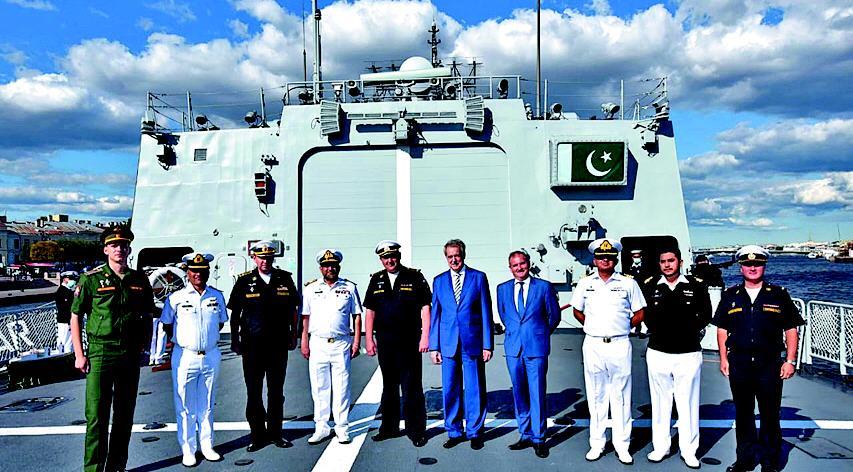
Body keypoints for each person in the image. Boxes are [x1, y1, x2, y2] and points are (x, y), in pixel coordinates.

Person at [70, 226, 155, 472]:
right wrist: (79, 354)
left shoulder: (139, 279)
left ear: (129, 248)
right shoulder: (90, 279)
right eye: (114, 245)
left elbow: (147, 315)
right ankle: (94, 469)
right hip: (101, 352)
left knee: (124, 413)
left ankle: (117, 466)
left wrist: (146, 347)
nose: (120, 249)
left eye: (124, 245)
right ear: (106, 249)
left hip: (130, 353)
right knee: (96, 414)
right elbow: (76, 316)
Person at [712, 245, 804, 472]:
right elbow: (722, 329)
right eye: (747, 264)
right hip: (740, 363)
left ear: (764, 266)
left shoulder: (778, 294)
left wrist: (790, 361)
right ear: (740, 267)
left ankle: (770, 460)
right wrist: (723, 359)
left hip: (769, 364)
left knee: (770, 414)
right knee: (743, 414)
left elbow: (791, 329)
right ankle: (745, 459)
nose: (752, 268)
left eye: (757, 264)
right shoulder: (730, 295)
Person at [571, 238, 646, 465]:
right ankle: (597, 443)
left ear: (615, 260)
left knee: (621, 396)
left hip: (619, 344)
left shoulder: (628, 283)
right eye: (601, 257)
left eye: (610, 257)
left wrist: (622, 327)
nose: (605, 260)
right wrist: (593, 327)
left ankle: (622, 445)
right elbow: (577, 310)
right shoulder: (585, 283)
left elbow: (640, 312)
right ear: (594, 260)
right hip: (593, 345)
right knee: (596, 395)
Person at [641, 247, 711, 469]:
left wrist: (687, 331)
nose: (667, 265)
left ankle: (689, 450)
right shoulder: (650, 285)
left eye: (671, 260)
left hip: (688, 352)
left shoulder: (696, 285)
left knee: (688, 403)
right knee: (660, 403)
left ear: (680, 262)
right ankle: (661, 447)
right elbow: (646, 315)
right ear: (659, 264)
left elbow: (706, 314)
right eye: (663, 261)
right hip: (658, 352)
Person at [228, 241, 299, 452]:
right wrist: (234, 340)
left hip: (278, 344)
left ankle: (276, 433)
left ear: (273, 258)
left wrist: (293, 334)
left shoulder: (284, 278)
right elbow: (235, 314)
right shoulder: (244, 281)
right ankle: (257, 436)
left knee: (276, 391)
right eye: (261, 257)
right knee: (254, 392)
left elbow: (293, 310)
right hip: (252, 346)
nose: (265, 261)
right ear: (254, 258)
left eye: (268, 258)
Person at [160, 253, 227, 467]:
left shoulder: (216, 296)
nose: (198, 274)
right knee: (185, 405)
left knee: (207, 403)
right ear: (187, 272)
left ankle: (207, 445)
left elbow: (220, 322)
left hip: (210, 355)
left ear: (208, 272)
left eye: (202, 271)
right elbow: (167, 324)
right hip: (185, 356)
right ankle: (188, 449)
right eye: (194, 271)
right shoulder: (176, 298)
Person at [363, 240, 431, 447]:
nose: (389, 260)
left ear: (398, 256)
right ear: (381, 260)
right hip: (386, 341)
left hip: (409, 340)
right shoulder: (376, 280)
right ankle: (389, 428)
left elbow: (425, 308)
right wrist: (369, 339)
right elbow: (370, 311)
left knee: (412, 386)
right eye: (385, 258)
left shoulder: (414, 276)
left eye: (392, 256)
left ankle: (416, 431)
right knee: (389, 386)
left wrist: (425, 336)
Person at [429, 239, 493, 450]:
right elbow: (436, 315)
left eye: (457, 255)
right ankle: (454, 431)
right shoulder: (439, 281)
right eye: (450, 256)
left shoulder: (478, 277)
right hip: (448, 343)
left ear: (463, 255)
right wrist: (434, 346)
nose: (454, 260)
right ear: (445, 258)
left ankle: (475, 431)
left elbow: (486, 312)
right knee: (450, 389)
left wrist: (487, 344)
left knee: (475, 388)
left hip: (472, 342)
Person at [496, 250, 561, 459]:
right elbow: (505, 316)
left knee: (537, 392)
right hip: (513, 348)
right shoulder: (502, 289)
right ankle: (524, 434)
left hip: (536, 347)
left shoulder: (543, 287)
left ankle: (539, 438)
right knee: (519, 392)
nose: (519, 268)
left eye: (522, 263)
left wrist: (539, 333)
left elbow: (554, 316)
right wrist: (518, 333)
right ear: (510, 268)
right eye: (515, 265)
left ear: (529, 263)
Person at [300, 249, 362, 445]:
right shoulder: (310, 289)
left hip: (341, 343)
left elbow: (357, 316)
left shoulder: (349, 287)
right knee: (320, 387)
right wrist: (304, 341)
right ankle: (322, 427)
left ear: (338, 267)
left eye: (333, 265)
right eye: (326, 265)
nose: (330, 268)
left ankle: (342, 427)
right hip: (318, 343)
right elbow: (305, 317)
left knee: (342, 387)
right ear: (321, 268)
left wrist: (356, 341)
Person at [55, 270, 78, 353]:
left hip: (67, 320)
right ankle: (65, 355)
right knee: (66, 340)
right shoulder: (62, 291)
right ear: (65, 279)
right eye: (71, 279)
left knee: (67, 340)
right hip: (65, 320)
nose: (73, 281)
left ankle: (63, 353)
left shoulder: (69, 291)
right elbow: (65, 307)